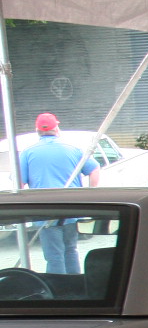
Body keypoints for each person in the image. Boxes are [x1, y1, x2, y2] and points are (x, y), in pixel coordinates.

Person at [19, 113, 96, 275]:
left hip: (44, 211)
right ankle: (75, 287)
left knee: (54, 255)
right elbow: (94, 169)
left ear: (37, 130)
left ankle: (58, 291)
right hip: (71, 209)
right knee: (71, 250)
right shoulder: (73, 149)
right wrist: (90, 193)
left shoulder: (28, 153)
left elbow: (19, 182)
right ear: (56, 128)